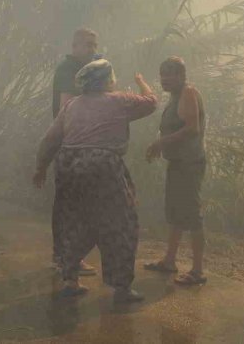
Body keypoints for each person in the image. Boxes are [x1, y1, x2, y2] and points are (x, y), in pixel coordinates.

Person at [34, 60, 157, 303]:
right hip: (102, 164)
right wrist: (142, 82)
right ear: (106, 80)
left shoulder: (71, 105)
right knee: (120, 222)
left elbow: (50, 140)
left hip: (68, 164)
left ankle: (70, 279)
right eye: (112, 77)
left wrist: (40, 168)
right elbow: (152, 103)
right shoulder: (119, 100)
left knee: (74, 220)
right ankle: (121, 287)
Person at [144, 57, 208, 286]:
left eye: (171, 74)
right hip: (178, 163)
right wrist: (165, 145)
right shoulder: (174, 97)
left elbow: (192, 129)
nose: (166, 79)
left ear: (182, 76)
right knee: (175, 213)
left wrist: (160, 143)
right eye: (163, 74)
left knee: (192, 214)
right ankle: (169, 260)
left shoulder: (188, 93)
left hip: (190, 164)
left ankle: (198, 271)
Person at [50, 27, 101, 276]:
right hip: (71, 143)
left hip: (83, 142)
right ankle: (65, 256)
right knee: (69, 202)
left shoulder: (90, 69)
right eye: (87, 45)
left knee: (75, 202)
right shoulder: (68, 70)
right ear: (75, 46)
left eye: (94, 44)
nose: (93, 49)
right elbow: (66, 107)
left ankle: (67, 255)